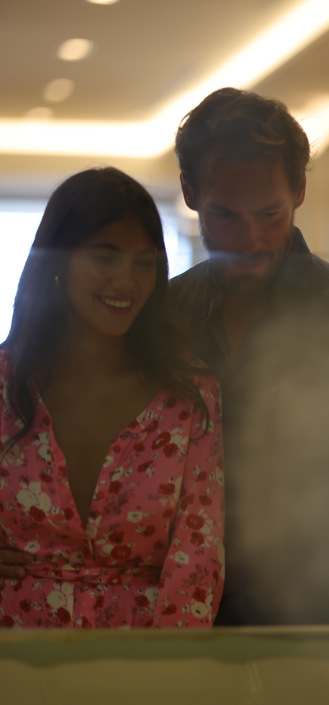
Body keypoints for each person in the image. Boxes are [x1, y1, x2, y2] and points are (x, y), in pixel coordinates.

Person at [169, 87, 329, 626]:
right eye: (226, 216)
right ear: (190, 194)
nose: (250, 240)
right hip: (173, 626)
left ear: (301, 190)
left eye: (269, 213)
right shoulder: (165, 315)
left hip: (310, 625)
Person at [0, 167, 224, 629]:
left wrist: (159, 682)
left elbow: (197, 561)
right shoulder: (5, 383)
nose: (126, 280)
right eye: (105, 257)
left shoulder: (188, 395)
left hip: (139, 668)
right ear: (58, 262)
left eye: (144, 262)